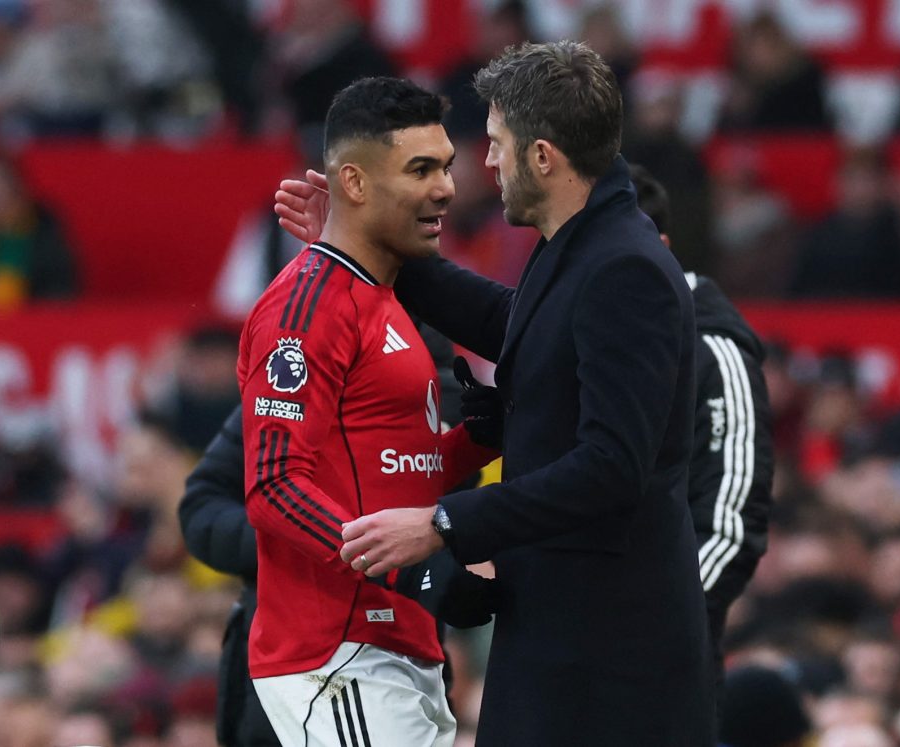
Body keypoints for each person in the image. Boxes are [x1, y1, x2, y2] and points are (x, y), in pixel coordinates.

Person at [277, 41, 716, 745]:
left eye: (497, 144)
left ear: (542, 156)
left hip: (609, 662)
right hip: (569, 633)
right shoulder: (586, 243)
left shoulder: (623, 268)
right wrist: (374, 247)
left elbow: (612, 465)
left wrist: (444, 523)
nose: (486, 164)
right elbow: (518, 325)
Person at [236, 76, 498, 746]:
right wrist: (411, 569)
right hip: (338, 651)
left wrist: (478, 439)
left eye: (446, 167)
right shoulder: (305, 308)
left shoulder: (386, 301)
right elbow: (273, 486)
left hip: (395, 644)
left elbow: (395, 468)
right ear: (352, 182)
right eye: (420, 169)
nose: (445, 188)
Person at [178, 322, 483, 747]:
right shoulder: (296, 364)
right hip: (282, 649)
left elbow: (453, 489)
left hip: (390, 641)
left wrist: (329, 535)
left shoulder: (421, 360)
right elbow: (201, 506)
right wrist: (297, 539)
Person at [630, 164, 773, 657]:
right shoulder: (578, 340)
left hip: (656, 656)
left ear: (659, 248)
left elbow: (730, 527)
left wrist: (652, 624)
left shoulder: (713, 352)